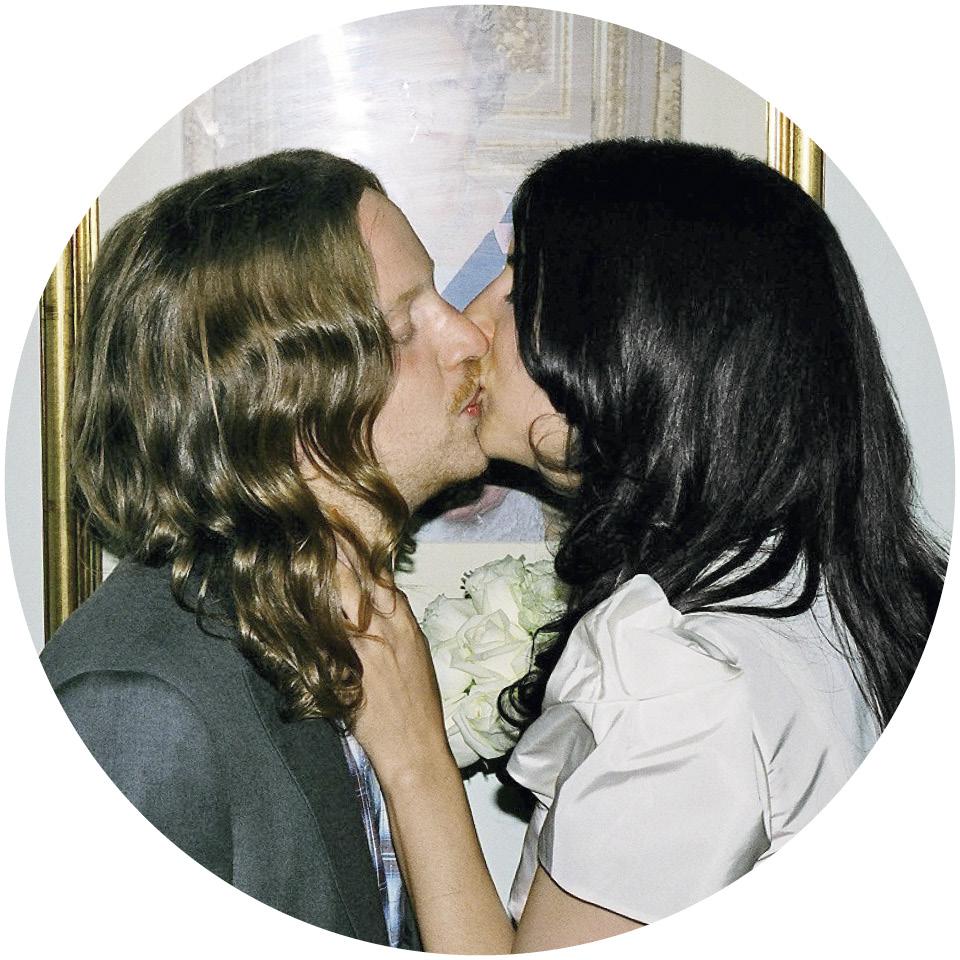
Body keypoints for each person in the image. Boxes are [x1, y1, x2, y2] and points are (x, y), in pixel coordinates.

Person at [350, 139, 946, 952]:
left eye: (518, 286)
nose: (469, 324)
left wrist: (414, 755)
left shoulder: (682, 674)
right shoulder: (807, 594)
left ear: (639, 338)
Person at [39, 148, 489, 946]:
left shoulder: (335, 624)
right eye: (402, 327)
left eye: (440, 300)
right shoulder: (141, 707)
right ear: (275, 403)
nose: (467, 337)